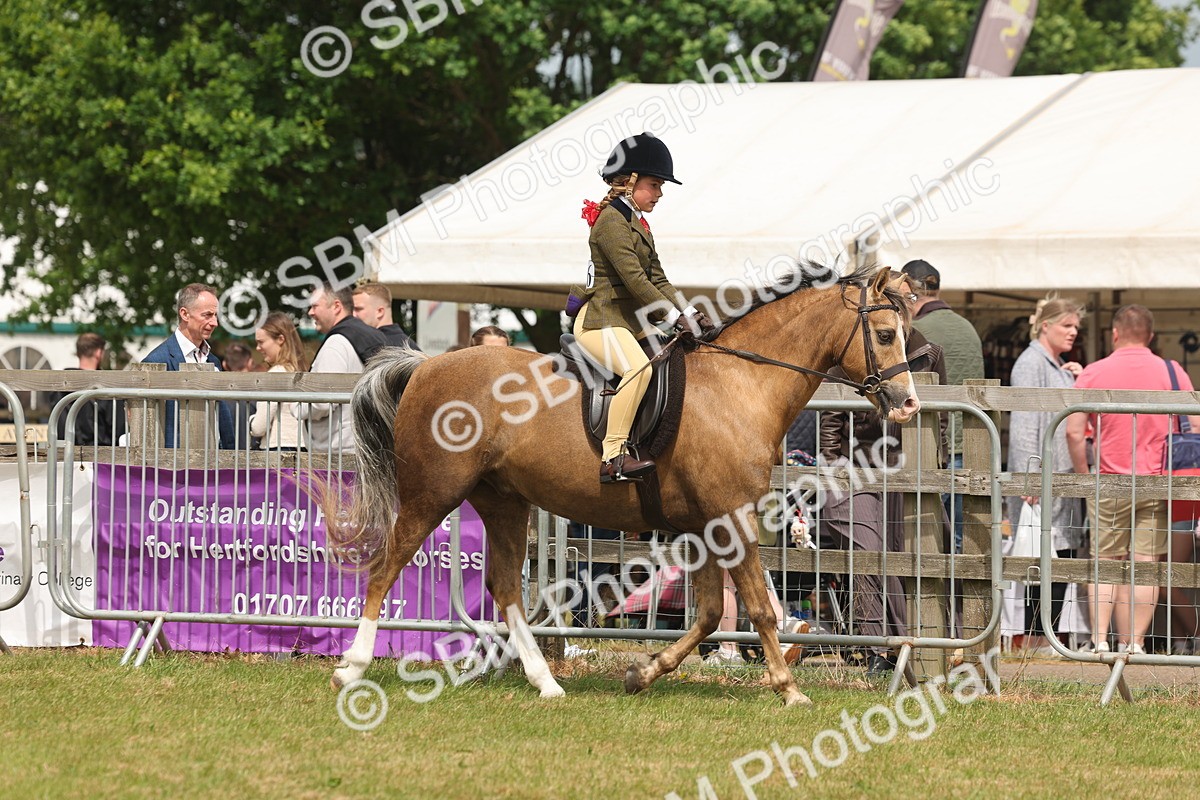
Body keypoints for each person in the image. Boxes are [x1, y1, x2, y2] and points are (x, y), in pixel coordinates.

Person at [815, 272, 947, 676]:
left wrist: (935, 467)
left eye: (906, 299)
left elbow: (938, 419)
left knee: (915, 551)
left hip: (906, 470)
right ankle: (882, 647)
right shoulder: (855, 347)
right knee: (869, 550)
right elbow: (831, 420)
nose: (901, 305)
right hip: (855, 469)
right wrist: (833, 470)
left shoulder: (928, 352)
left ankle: (921, 644)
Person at [566, 132, 714, 484]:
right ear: (629, 182)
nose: (660, 194)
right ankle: (613, 457)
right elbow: (635, 281)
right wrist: (674, 316)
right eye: (655, 184)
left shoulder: (638, 222)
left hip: (628, 322)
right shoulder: (610, 223)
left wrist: (688, 311)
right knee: (638, 370)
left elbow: (659, 278)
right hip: (600, 322)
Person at [1066, 305, 1200, 654]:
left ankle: (1099, 640)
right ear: (1151, 336)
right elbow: (1195, 427)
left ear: (1114, 333)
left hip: (1109, 481)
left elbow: (1074, 431)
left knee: (1105, 563)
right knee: (1145, 565)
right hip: (1157, 482)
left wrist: (1084, 479)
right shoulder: (1172, 371)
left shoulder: (1095, 372)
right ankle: (1135, 644)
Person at [1006, 296, 1088, 655]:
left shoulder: (1054, 364)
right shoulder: (1029, 364)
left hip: (1060, 478)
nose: (1072, 332)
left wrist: (1076, 378)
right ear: (1045, 326)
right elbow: (1024, 423)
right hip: (1042, 479)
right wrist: (1030, 476)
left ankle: (1048, 636)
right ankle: (1039, 637)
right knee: (1041, 559)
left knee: (1059, 556)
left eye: (1076, 328)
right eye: (1066, 326)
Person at [901, 259, 984, 552]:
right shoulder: (968, 328)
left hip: (933, 447)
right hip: (973, 445)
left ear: (910, 291)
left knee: (923, 541)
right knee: (961, 544)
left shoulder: (915, 332)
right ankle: (961, 600)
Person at [294, 282, 389, 455]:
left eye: (315, 306)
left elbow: (322, 401)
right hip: (363, 445)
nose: (310, 312)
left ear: (336, 306)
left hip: (336, 452)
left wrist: (297, 407)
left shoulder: (336, 343)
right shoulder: (373, 335)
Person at [141, 283, 235, 448]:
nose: (215, 323)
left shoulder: (213, 360)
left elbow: (220, 415)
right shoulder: (156, 361)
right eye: (207, 315)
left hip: (215, 461)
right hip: (175, 465)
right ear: (184, 314)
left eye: (215, 315)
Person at [49, 332, 126, 446]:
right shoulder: (107, 387)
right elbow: (118, 429)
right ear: (99, 353)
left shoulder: (60, 386)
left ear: (79, 353)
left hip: (66, 454)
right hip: (100, 455)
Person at [250, 312, 308, 451]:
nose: (258, 348)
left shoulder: (276, 373)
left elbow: (259, 427)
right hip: (302, 446)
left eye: (261, 342)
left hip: (277, 447)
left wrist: (251, 420)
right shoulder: (301, 371)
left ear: (280, 339)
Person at [351, 281, 419, 349]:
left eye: (358, 309)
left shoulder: (373, 345)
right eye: (352, 309)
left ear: (380, 311)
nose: (353, 314)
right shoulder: (411, 347)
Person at [221, 341, 257, 450]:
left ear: (224, 364)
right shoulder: (259, 394)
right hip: (255, 457)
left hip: (224, 457)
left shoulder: (219, 395)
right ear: (250, 362)